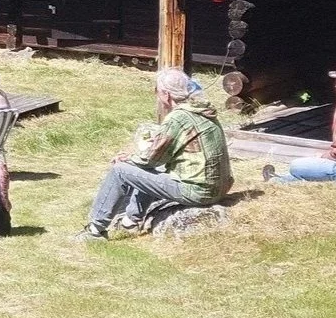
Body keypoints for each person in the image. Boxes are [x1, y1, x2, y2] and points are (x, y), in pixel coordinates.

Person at [79, 68, 233, 239]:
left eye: (157, 91)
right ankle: (130, 221)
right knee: (145, 172)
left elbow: (152, 159)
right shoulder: (202, 110)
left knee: (120, 171)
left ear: (166, 95)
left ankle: (95, 230)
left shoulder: (178, 118)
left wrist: (127, 159)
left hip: (199, 191)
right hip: (220, 187)